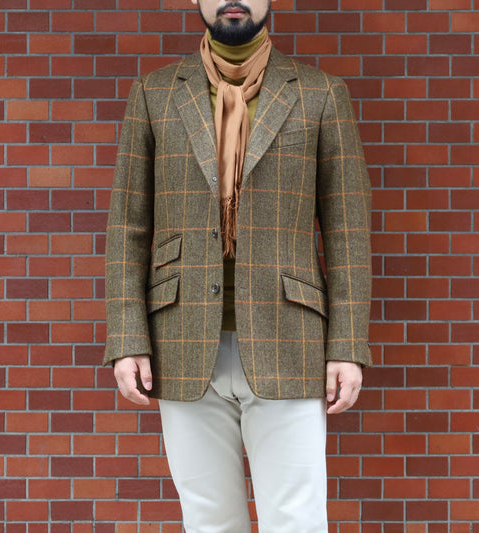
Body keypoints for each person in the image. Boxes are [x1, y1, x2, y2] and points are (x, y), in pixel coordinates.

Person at [104, 1, 372, 531]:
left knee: (295, 521)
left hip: (289, 339)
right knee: (208, 521)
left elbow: (347, 230)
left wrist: (347, 345)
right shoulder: (156, 93)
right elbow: (128, 226)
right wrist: (127, 337)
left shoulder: (319, 93)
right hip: (182, 340)